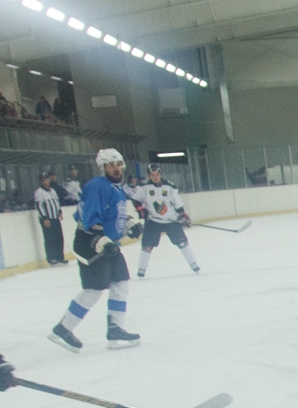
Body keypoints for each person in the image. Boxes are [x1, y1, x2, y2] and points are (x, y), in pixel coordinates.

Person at [48, 147, 142, 352]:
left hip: (108, 243)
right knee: (94, 289)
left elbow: (113, 216)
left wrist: (130, 224)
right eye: (111, 165)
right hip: (90, 242)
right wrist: (102, 241)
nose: (116, 169)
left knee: (120, 282)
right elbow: (90, 220)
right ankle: (62, 329)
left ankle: (115, 328)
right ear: (103, 168)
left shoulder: (115, 187)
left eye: (118, 164)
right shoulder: (98, 186)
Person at [129, 164, 197, 276]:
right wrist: (140, 209)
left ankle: (193, 264)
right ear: (149, 175)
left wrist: (182, 214)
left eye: (157, 174)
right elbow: (136, 200)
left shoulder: (170, 186)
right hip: (153, 220)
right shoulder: (143, 186)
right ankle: (141, 269)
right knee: (147, 246)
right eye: (152, 175)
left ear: (160, 174)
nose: (155, 177)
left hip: (171, 220)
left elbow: (177, 203)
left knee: (182, 242)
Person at [34, 172, 65, 266]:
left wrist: (59, 211)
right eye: (43, 181)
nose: (45, 182)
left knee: (59, 238)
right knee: (49, 239)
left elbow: (56, 203)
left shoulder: (53, 191)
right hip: (47, 219)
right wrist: (45, 218)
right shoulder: (39, 192)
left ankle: (60, 257)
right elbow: (39, 206)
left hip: (55, 218)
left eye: (46, 180)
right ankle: (52, 258)